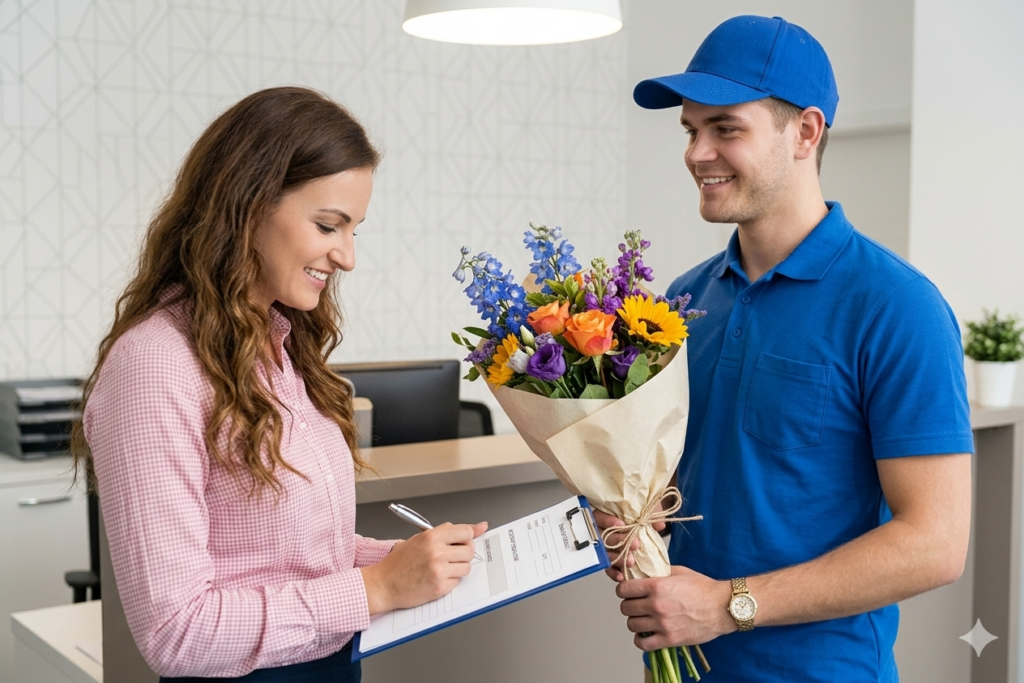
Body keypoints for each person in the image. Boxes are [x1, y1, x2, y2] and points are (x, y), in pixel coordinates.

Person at [595, 15, 973, 682]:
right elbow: (662, 479)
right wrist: (624, 516)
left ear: (805, 132)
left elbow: (935, 544)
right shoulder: (680, 304)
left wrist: (727, 603)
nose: (696, 152)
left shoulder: (898, 308)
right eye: (691, 130)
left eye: (725, 128)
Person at [71, 86, 487, 682]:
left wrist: (398, 562)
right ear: (246, 204)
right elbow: (175, 631)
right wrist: (374, 588)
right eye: (328, 225)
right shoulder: (153, 367)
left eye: (354, 230)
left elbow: (280, 557)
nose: (346, 257)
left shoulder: (278, 346)